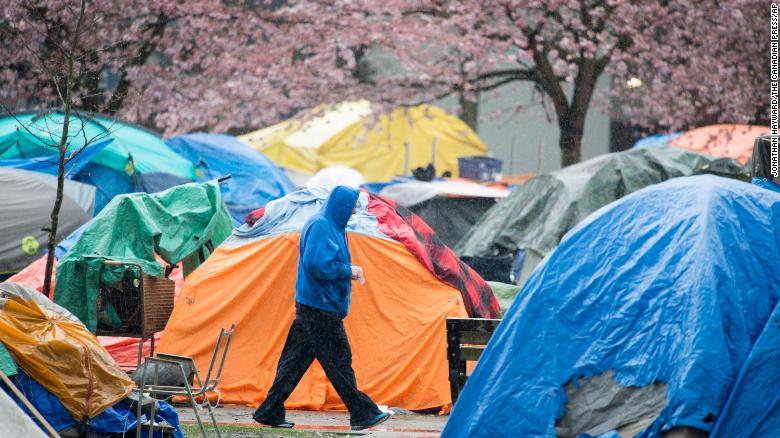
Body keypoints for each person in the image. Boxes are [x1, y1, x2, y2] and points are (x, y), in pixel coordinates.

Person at [253, 186, 392, 431]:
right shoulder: (322, 227)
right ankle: (362, 413)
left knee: (293, 362)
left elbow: (322, 261)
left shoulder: (329, 225)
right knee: (339, 362)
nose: (351, 214)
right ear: (341, 206)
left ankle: (269, 411)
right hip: (320, 308)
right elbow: (318, 264)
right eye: (350, 209)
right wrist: (349, 270)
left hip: (313, 306)